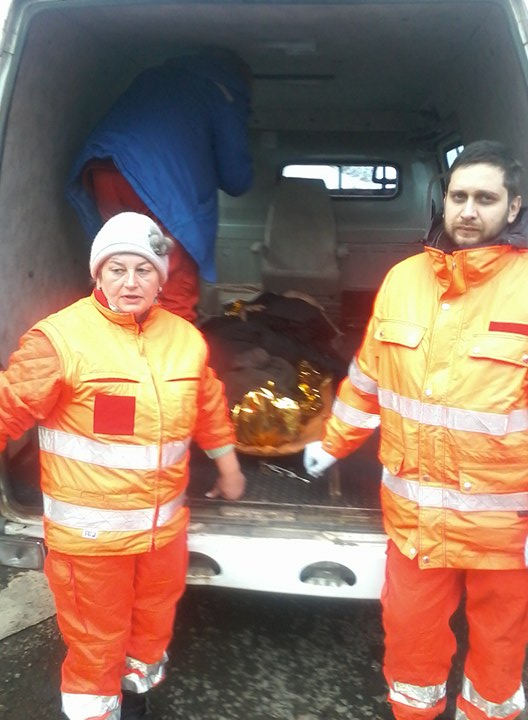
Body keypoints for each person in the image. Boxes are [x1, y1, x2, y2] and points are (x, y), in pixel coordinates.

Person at [303, 140, 528, 720]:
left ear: (514, 206)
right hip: (416, 525)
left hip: (506, 534)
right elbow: (367, 380)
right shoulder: (402, 280)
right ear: (442, 201)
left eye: (485, 199)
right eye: (458, 196)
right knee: (410, 656)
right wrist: (331, 444)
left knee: (498, 664)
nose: (468, 211)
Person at [0, 211, 246, 720]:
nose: (130, 282)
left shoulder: (185, 339)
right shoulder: (59, 340)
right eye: (117, 269)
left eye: (143, 269)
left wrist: (228, 467)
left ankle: (136, 700)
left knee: (151, 629)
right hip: (91, 545)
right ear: (99, 273)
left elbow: (207, 406)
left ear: (161, 278)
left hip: (161, 537)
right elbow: (7, 408)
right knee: (97, 645)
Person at [65, 47, 253, 322]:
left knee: (123, 271)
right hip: (158, 186)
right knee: (173, 288)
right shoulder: (224, 91)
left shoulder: (156, 75)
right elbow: (236, 179)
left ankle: (120, 342)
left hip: (103, 169)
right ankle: (171, 347)